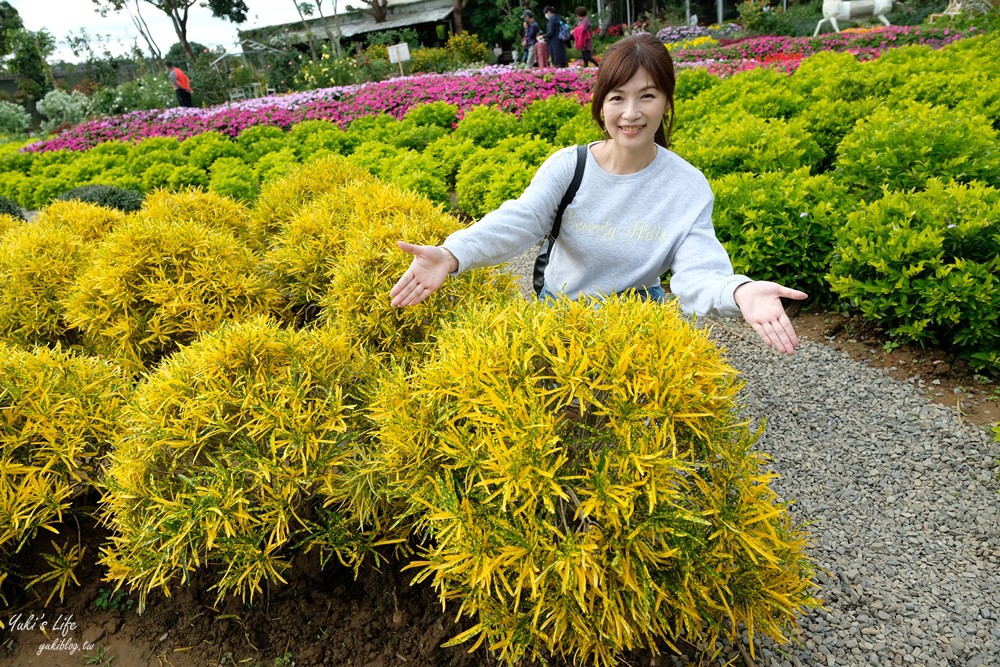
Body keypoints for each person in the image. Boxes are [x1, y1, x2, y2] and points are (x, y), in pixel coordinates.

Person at [390, 33, 806, 355]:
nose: (631, 113)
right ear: (600, 106)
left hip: (638, 323)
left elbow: (698, 271)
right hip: (560, 313)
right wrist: (453, 253)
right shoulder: (569, 166)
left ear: (666, 103)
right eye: (617, 98)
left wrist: (738, 290)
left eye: (647, 96)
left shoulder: (686, 185)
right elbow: (521, 220)